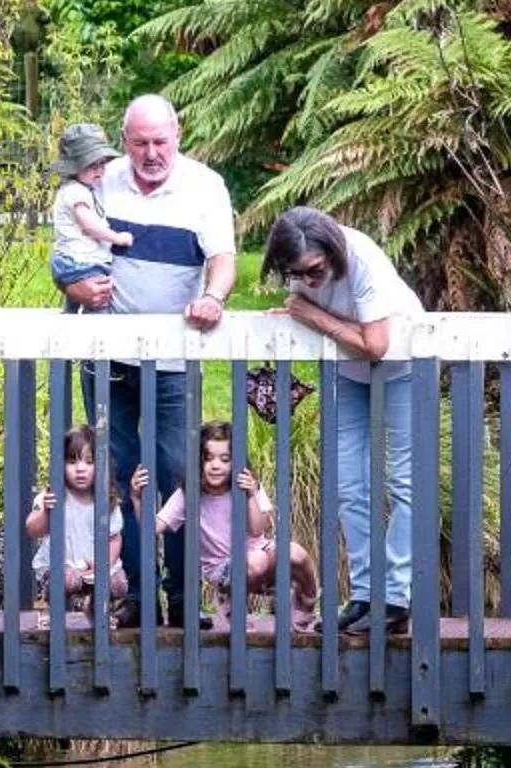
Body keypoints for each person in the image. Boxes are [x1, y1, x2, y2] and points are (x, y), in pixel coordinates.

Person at [63, 94, 233, 622]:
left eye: (160, 141)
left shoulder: (205, 185)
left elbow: (224, 260)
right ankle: (137, 597)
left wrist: (214, 297)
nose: (151, 153)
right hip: (106, 352)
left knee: (181, 476)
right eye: (140, 143)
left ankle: (181, 600)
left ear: (177, 135)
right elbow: (66, 246)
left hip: (174, 359)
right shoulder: (101, 180)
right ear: (124, 140)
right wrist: (74, 285)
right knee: (119, 474)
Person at [263, 205, 425, 640]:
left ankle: (396, 599)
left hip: (403, 367)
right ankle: (365, 593)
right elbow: (309, 312)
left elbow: (376, 344)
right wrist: (300, 319)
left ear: (332, 251)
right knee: (348, 484)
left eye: (314, 270)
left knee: (404, 483)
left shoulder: (363, 259)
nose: (307, 280)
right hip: (345, 371)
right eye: (295, 274)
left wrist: (314, 317)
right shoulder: (300, 263)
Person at [155, 420, 318, 626]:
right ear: (198, 461)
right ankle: (231, 604)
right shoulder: (189, 493)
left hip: (259, 554)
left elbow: (257, 529)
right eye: (208, 458)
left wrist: (251, 495)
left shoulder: (247, 485)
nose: (216, 465)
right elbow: (156, 526)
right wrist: (137, 500)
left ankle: (306, 600)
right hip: (223, 569)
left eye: (225, 459)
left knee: (295, 552)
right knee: (256, 561)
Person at [23, 426, 130, 611]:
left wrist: (104, 563)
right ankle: (51, 609)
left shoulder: (107, 500)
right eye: (72, 461)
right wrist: (45, 512)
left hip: (96, 566)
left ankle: (96, 609)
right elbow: (32, 529)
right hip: (63, 565)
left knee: (118, 585)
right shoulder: (52, 496)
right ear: (61, 465)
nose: (80, 469)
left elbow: (114, 538)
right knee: (67, 580)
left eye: (89, 462)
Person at [44, 122, 131, 310]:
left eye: (102, 164)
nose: (99, 171)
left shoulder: (79, 189)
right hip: (82, 262)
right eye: (91, 166)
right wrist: (118, 238)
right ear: (74, 167)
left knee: (73, 308)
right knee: (98, 304)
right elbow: (89, 225)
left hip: (71, 260)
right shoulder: (76, 192)